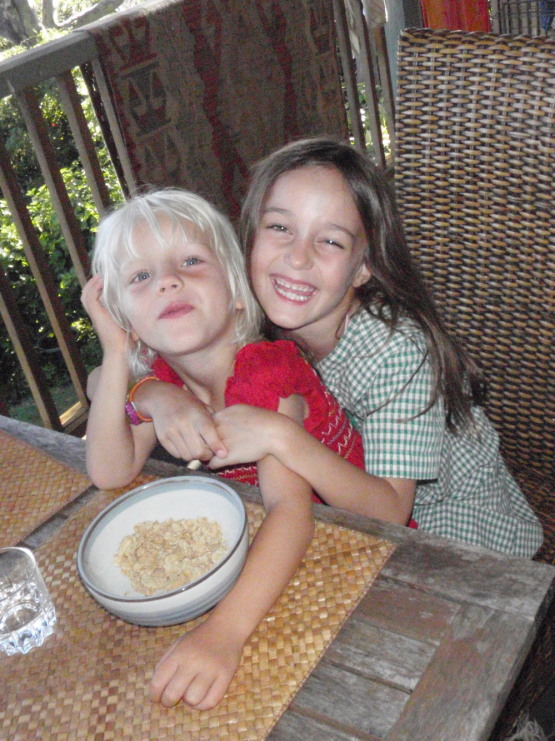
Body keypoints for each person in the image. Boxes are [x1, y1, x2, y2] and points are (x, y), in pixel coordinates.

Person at [129, 137, 543, 558]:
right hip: (336, 511)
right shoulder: (249, 308)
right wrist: (154, 396)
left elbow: (391, 511)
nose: (297, 257)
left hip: (453, 527)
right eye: (280, 228)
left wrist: (279, 435)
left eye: (329, 241)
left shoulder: (395, 352)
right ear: (251, 238)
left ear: (363, 267)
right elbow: (106, 378)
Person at [82, 187, 371, 711]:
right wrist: (120, 357)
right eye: (140, 277)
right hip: (268, 559)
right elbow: (109, 469)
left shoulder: (265, 371)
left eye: (191, 261)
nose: (168, 280)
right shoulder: (169, 378)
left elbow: (292, 511)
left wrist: (223, 636)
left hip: (352, 549)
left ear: (237, 292)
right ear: (124, 315)